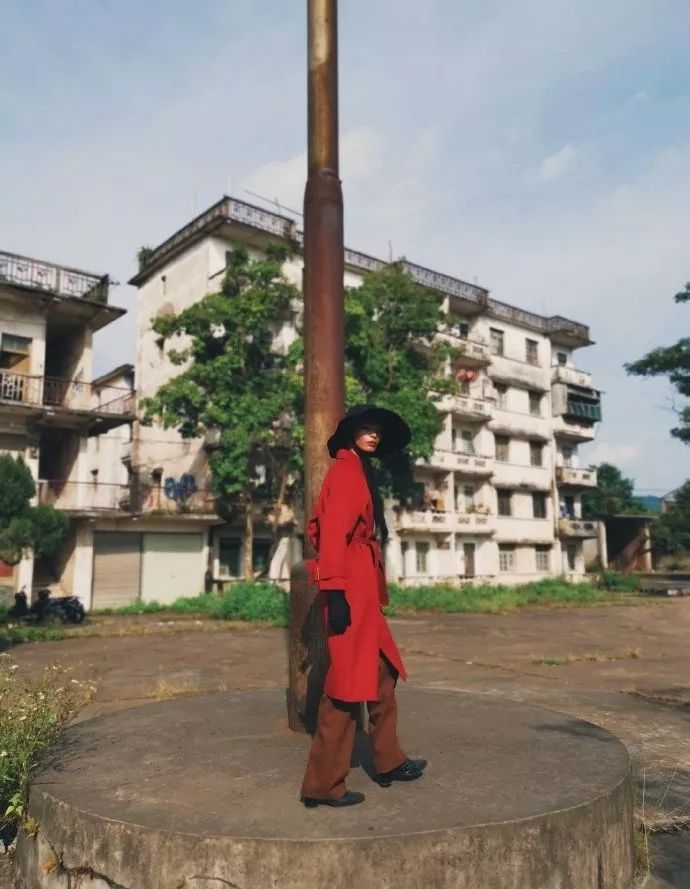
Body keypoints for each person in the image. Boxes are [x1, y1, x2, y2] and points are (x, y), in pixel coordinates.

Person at [300, 404, 427, 809]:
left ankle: (389, 761)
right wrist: (335, 592)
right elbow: (330, 535)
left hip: (361, 586)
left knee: (382, 673)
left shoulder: (358, 470)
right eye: (366, 428)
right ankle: (322, 784)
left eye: (377, 431)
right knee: (347, 685)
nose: (374, 435)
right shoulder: (345, 473)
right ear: (351, 433)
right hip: (349, 586)